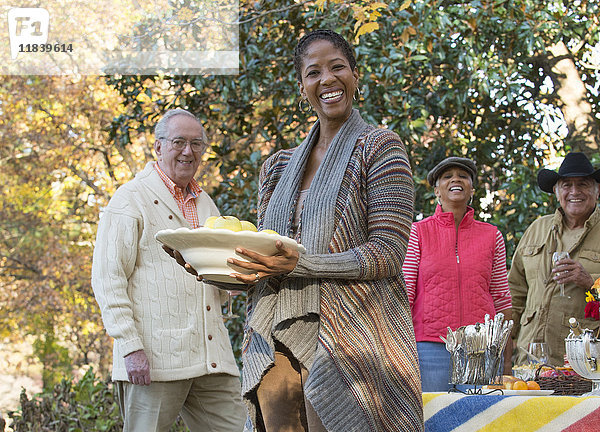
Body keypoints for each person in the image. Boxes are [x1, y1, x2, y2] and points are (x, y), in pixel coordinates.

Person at [221, 29, 422, 432]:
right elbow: (269, 257)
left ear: (355, 75)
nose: (327, 79)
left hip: (348, 345)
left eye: (337, 67)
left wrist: (302, 263)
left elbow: (386, 254)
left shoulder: (380, 147)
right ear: (302, 87)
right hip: (273, 342)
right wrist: (219, 269)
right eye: (314, 72)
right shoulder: (276, 166)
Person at [91, 108, 246, 432]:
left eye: (196, 144)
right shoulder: (130, 200)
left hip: (211, 358)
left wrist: (234, 281)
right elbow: (108, 278)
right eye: (179, 142)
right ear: (158, 147)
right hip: (153, 361)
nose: (188, 151)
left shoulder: (206, 205)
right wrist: (130, 347)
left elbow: (213, 275)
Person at [402, 157, 513, 392]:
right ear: (437, 190)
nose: (455, 179)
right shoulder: (418, 232)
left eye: (463, 176)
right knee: (433, 422)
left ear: (472, 189)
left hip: (482, 348)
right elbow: (405, 293)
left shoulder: (492, 236)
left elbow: (502, 298)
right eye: (447, 176)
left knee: (482, 423)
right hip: (429, 347)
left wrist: (507, 359)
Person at [509, 152, 600, 366]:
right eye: (566, 185)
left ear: (597, 191)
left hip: (585, 363)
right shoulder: (537, 228)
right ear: (557, 192)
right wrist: (505, 350)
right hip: (528, 361)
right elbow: (514, 292)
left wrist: (590, 282)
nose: (574, 192)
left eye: (583, 184)